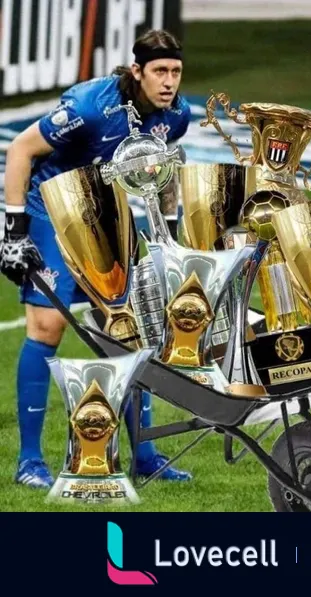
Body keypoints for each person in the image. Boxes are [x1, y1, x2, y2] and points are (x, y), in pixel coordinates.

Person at [0, 29, 193, 488]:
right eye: (160, 72)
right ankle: (30, 461)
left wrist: (167, 235)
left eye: (176, 72)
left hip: (104, 213)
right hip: (49, 206)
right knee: (47, 327)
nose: (169, 82)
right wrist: (12, 232)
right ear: (137, 72)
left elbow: (163, 173)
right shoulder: (90, 107)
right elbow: (21, 149)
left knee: (127, 328)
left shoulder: (177, 115)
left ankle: (143, 453)